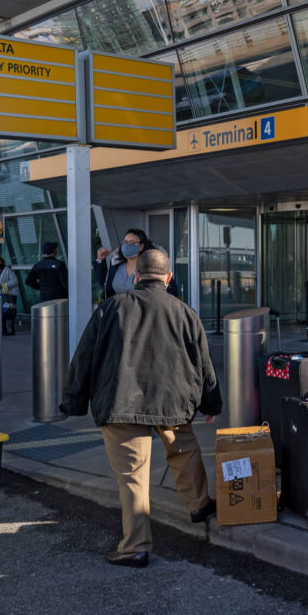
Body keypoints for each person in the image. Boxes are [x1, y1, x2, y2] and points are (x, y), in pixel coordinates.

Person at [62, 249, 221, 568]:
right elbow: (204, 364)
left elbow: (83, 359)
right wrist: (211, 403)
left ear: (136, 276)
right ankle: (199, 505)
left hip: (122, 403)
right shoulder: (185, 312)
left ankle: (135, 546)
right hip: (172, 403)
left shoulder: (111, 308)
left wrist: (73, 402)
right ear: (169, 278)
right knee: (185, 451)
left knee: (133, 477)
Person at [93, 228, 178, 299]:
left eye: (132, 243)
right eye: (125, 242)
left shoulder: (151, 267)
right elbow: (105, 286)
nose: (127, 245)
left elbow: (170, 291)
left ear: (141, 246)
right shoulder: (116, 263)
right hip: (117, 315)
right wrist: (100, 260)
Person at [0, 256, 18, 335]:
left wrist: (2, 285)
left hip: (9, 294)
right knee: (1, 312)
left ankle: (10, 330)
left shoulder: (7, 270)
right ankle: (3, 329)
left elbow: (15, 281)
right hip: (0, 294)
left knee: (9, 312)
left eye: (0, 263)